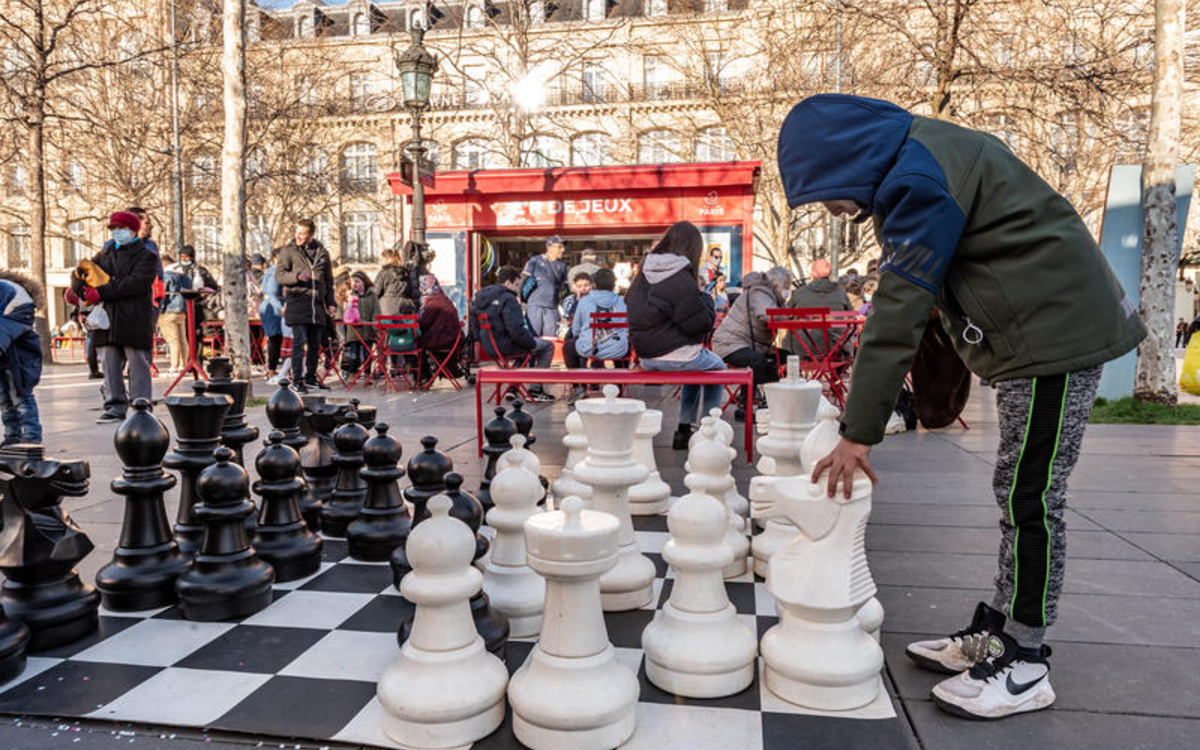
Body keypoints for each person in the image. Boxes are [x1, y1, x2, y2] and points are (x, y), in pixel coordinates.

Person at [777, 93, 1146, 719]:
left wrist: (857, 431)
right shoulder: (923, 153)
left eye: (827, 193)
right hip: (1046, 329)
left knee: (1032, 497)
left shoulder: (917, 180)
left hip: (1058, 336)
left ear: (848, 159)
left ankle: (1025, 659)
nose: (836, 211)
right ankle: (1001, 631)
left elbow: (898, 308)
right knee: (1017, 488)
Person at [627, 221, 723, 449]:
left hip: (646, 357)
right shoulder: (679, 277)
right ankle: (710, 429)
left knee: (696, 365)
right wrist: (706, 300)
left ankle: (684, 429)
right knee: (716, 367)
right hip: (676, 355)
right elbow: (698, 325)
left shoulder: (643, 273)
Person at [68, 211, 159, 423]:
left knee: (138, 364)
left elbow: (136, 282)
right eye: (113, 228)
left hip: (134, 318)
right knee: (109, 363)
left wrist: (103, 291)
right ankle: (114, 406)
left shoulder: (147, 256)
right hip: (106, 319)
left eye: (121, 228)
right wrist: (78, 288)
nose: (116, 232)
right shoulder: (105, 253)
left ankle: (141, 408)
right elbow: (82, 272)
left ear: (133, 230)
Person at [711, 266, 793, 421]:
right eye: (786, 287)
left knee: (788, 358)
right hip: (729, 344)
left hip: (750, 344)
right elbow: (768, 314)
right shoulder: (760, 293)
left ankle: (778, 401)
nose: (787, 291)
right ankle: (746, 407)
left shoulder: (772, 297)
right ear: (776, 285)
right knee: (758, 362)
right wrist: (791, 317)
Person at [471, 265, 554, 402]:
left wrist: (480, 340)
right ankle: (535, 390)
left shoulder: (480, 298)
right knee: (547, 347)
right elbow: (516, 331)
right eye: (516, 284)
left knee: (521, 355)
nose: (518, 289)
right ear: (508, 283)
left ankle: (512, 388)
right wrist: (531, 343)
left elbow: (474, 325)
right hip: (505, 345)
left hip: (488, 346)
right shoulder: (508, 299)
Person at [274, 218, 335, 394]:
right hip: (298, 302)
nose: (298, 236)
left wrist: (330, 302)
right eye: (297, 232)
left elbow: (329, 280)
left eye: (303, 233)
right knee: (299, 342)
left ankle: (311, 378)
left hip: (317, 305)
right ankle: (297, 380)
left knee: (316, 344)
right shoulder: (288, 251)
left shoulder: (322, 252)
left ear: (311, 234)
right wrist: (296, 277)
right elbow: (279, 275)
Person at [0, 269, 44, 446]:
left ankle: (31, 437)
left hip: (18, 361)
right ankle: (12, 436)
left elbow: (3, 333)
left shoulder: (14, 315)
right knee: (4, 400)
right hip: (5, 360)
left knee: (21, 397)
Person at [784, 258, 855, 360]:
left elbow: (786, 314)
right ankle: (837, 374)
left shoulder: (800, 293)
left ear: (813, 273)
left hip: (802, 348)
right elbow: (852, 316)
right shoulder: (840, 293)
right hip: (834, 349)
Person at [573, 267, 629, 365]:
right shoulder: (623, 302)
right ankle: (621, 373)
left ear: (594, 284)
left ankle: (578, 377)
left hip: (590, 349)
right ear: (614, 285)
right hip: (618, 350)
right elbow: (629, 327)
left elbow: (576, 330)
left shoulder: (584, 301)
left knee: (569, 347)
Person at [522, 235, 567, 337]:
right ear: (549, 248)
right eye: (559, 247)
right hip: (535, 306)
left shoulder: (562, 265)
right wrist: (519, 298)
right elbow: (523, 280)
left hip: (552, 308)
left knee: (551, 340)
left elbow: (565, 288)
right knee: (534, 339)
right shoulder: (535, 261)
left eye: (563, 247)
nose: (563, 250)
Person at [259, 255, 286, 380]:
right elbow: (272, 293)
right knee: (275, 338)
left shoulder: (271, 270)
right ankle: (272, 370)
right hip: (274, 307)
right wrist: (281, 308)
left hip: (272, 305)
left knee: (276, 338)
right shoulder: (276, 271)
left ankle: (273, 369)